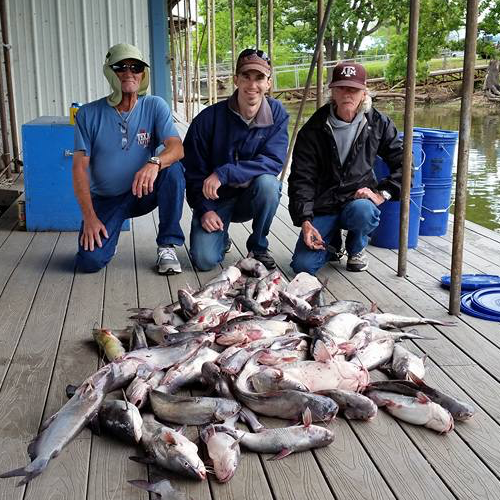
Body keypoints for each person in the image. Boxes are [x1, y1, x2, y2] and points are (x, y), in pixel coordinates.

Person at [73, 43, 185, 274]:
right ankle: (108, 240)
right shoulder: (88, 114)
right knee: (89, 262)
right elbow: (79, 169)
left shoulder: (154, 105)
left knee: (173, 169)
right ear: (109, 72)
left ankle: (167, 244)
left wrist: (154, 163)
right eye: (120, 67)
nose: (129, 73)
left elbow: (176, 147)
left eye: (135, 67)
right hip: (106, 199)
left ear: (143, 73)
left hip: (142, 192)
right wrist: (90, 217)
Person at [288, 61, 408, 276]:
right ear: (332, 91)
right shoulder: (313, 128)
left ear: (364, 93)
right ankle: (332, 243)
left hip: (357, 201)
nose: (347, 94)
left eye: (353, 89)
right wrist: (305, 221)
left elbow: (405, 163)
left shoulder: (379, 123)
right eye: (341, 88)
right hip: (323, 203)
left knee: (364, 210)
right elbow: (300, 179)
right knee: (302, 267)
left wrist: (382, 193)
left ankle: (356, 248)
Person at [182, 48, 289, 271]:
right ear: (235, 80)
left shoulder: (277, 113)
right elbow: (192, 173)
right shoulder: (207, 119)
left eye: (259, 78)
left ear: (268, 82)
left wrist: (224, 172)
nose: (252, 85)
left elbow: (273, 160)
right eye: (246, 77)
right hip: (215, 199)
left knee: (270, 184)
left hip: (251, 196)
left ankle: (258, 247)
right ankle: (222, 238)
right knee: (204, 261)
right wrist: (204, 209)